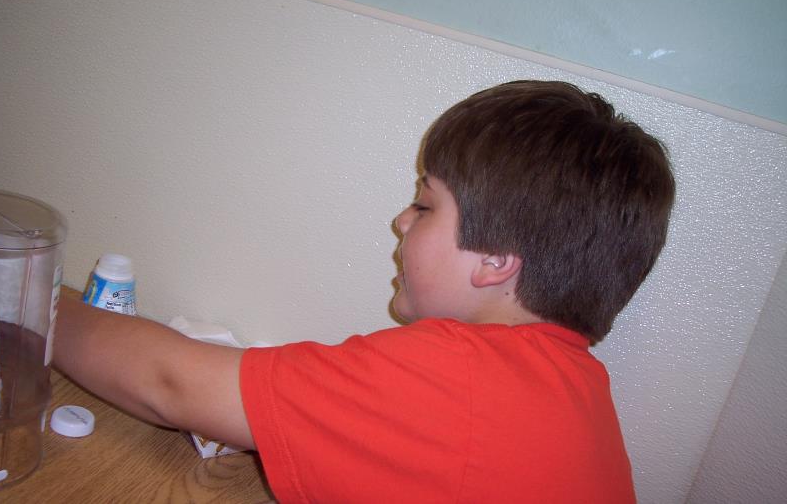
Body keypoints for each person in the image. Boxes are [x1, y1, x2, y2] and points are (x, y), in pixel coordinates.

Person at [54, 80, 675, 503]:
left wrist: (32, 298)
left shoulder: (454, 374)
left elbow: (170, 384)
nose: (402, 222)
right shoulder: (577, 391)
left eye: (424, 204)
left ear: (495, 260)